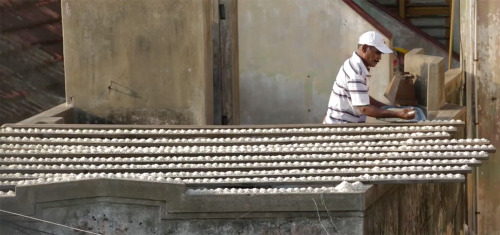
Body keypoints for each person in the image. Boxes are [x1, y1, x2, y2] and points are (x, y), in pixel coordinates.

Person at [323, 31, 416, 124]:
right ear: (364, 48)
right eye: (377, 53)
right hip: (340, 127)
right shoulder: (356, 71)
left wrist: (386, 108)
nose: (379, 58)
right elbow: (364, 108)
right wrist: (397, 114)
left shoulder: (359, 66)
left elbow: (362, 97)